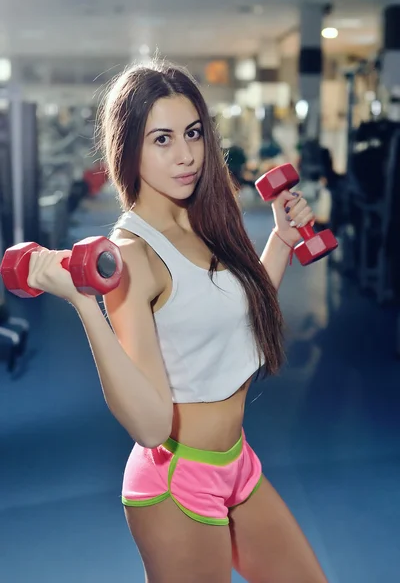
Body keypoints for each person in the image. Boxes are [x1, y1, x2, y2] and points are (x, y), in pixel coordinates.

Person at [27, 60, 328, 583]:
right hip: (175, 482)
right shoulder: (132, 255)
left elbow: (237, 321)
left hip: (238, 464)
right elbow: (149, 425)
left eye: (192, 133)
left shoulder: (204, 220)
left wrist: (280, 239)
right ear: (130, 149)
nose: (186, 155)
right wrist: (83, 304)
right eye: (161, 139)